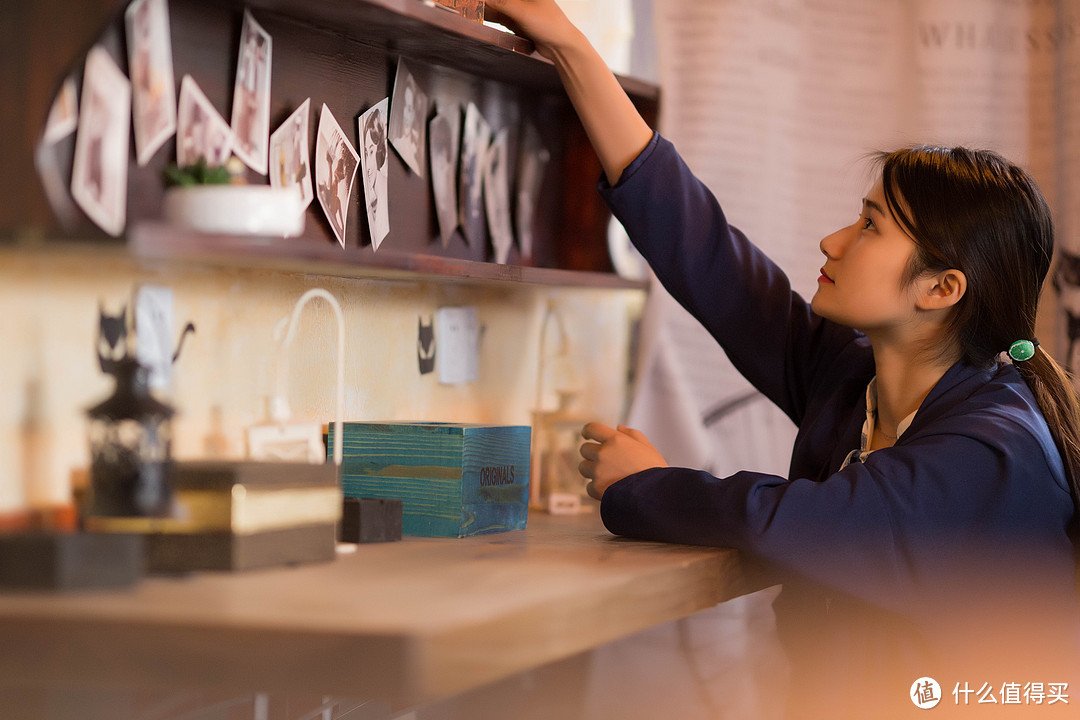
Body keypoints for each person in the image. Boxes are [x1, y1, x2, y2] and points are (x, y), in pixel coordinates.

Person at [486, 0, 1080, 716]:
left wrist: (643, 486)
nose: (833, 242)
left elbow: (800, 521)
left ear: (941, 288)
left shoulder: (995, 450)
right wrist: (569, 45)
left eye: (869, 226)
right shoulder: (856, 378)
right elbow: (711, 260)